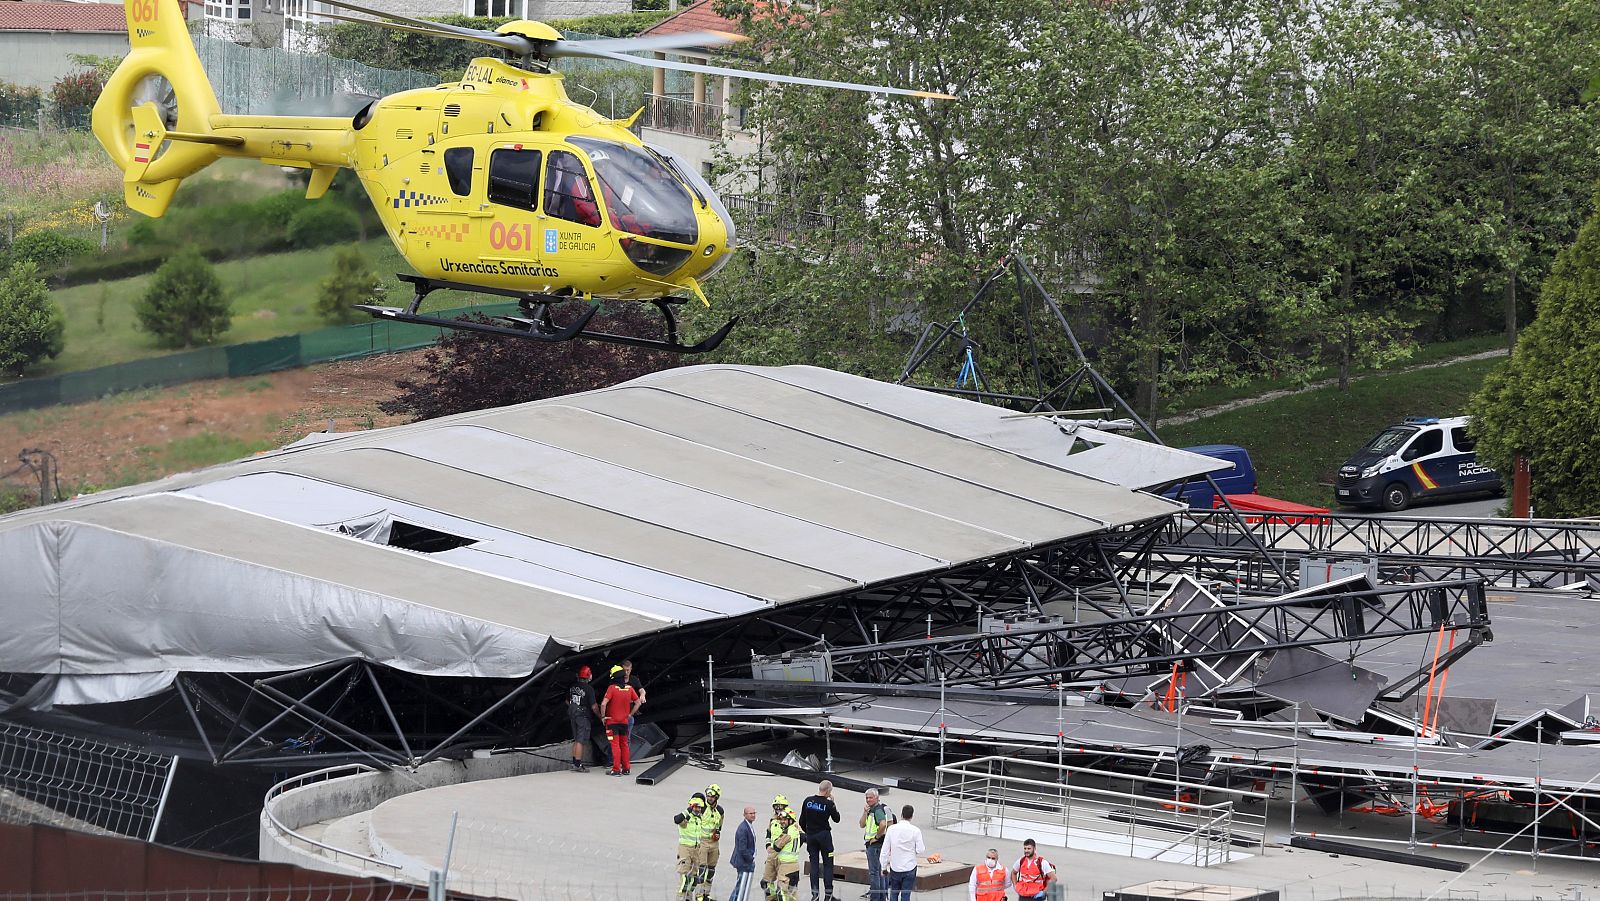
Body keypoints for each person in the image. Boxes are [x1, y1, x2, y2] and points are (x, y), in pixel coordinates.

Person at [799, 780, 842, 901]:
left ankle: (815, 895)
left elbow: (802, 821)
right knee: (828, 865)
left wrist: (808, 832)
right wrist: (833, 803)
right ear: (828, 791)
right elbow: (837, 819)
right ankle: (828, 896)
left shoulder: (808, 801)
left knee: (814, 865)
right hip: (824, 837)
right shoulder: (828, 804)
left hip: (811, 836)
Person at [877, 805, 924, 901]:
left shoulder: (891, 829)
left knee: (894, 893)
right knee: (905, 895)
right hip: (909, 867)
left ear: (901, 814)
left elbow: (885, 850)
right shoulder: (916, 831)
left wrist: (883, 867)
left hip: (895, 867)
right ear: (911, 816)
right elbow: (920, 849)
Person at [602, 665, 641, 776]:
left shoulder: (612, 688)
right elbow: (638, 702)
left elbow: (604, 703)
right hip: (624, 722)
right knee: (624, 745)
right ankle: (626, 769)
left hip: (612, 722)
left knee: (615, 745)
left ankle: (616, 769)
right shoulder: (629, 688)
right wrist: (630, 714)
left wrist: (603, 717)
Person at [859, 788, 893, 901]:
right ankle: (883, 897)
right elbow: (861, 824)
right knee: (881, 872)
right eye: (867, 798)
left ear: (877, 798)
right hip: (879, 846)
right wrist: (865, 812)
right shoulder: (872, 810)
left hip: (874, 846)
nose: (868, 800)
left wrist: (876, 837)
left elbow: (883, 824)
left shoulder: (878, 810)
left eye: (870, 797)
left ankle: (875, 898)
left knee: (874, 874)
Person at [674, 794, 709, 901]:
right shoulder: (686, 818)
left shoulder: (699, 818)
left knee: (693, 880)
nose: (698, 809)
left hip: (696, 850)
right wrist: (689, 809)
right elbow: (676, 819)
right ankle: (680, 898)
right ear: (691, 806)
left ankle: (688, 898)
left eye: (699, 807)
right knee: (684, 879)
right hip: (685, 849)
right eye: (696, 807)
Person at [565, 665, 599, 772]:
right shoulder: (589, 689)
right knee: (581, 741)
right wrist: (601, 716)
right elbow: (594, 706)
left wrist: (574, 707)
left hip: (573, 715)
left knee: (576, 739)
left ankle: (575, 763)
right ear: (588, 676)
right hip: (583, 717)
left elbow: (566, 701)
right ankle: (578, 765)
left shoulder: (572, 687)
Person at [761, 795, 791, 900]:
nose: (778, 809)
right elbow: (768, 834)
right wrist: (768, 846)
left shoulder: (790, 820)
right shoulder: (772, 820)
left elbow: (797, 836)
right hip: (772, 855)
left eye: (780, 806)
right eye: (776, 806)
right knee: (766, 883)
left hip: (783, 858)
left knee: (782, 888)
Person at [701, 783, 726, 899]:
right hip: (702, 842)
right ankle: (699, 894)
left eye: (712, 796)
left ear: (717, 797)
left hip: (714, 843)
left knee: (711, 869)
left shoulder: (720, 811)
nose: (709, 798)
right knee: (701, 868)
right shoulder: (702, 807)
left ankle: (706, 894)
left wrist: (717, 833)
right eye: (708, 795)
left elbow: (719, 826)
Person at [773, 805, 804, 901]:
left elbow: (776, 847)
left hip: (786, 868)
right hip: (795, 868)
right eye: (781, 819)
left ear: (791, 821)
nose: (782, 822)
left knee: (781, 892)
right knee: (792, 894)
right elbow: (803, 838)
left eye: (785, 820)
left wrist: (778, 838)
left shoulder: (787, 833)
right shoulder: (797, 831)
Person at [729, 805, 758, 901]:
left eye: (754, 813)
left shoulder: (749, 825)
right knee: (740, 885)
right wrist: (751, 859)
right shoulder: (743, 828)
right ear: (745, 815)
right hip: (744, 862)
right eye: (751, 813)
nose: (753, 815)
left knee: (742, 884)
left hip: (746, 860)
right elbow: (742, 849)